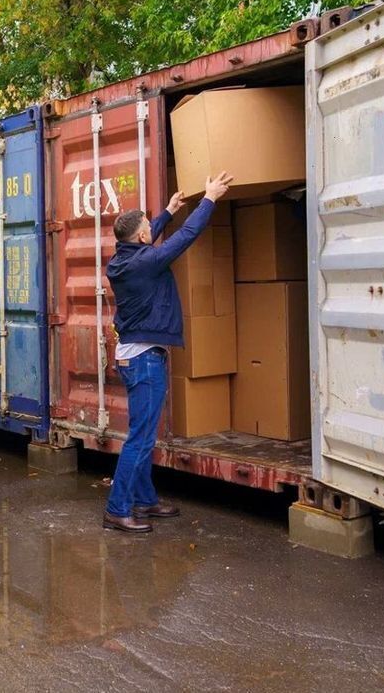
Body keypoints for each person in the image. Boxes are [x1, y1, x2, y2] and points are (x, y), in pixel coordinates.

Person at [102, 171, 234, 532]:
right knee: (141, 438)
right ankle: (118, 509)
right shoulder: (146, 261)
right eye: (150, 227)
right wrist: (209, 198)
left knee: (142, 433)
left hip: (135, 356)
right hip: (145, 360)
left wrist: (166, 212)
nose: (151, 230)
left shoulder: (123, 259)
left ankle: (144, 501)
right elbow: (186, 238)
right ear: (143, 236)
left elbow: (145, 240)